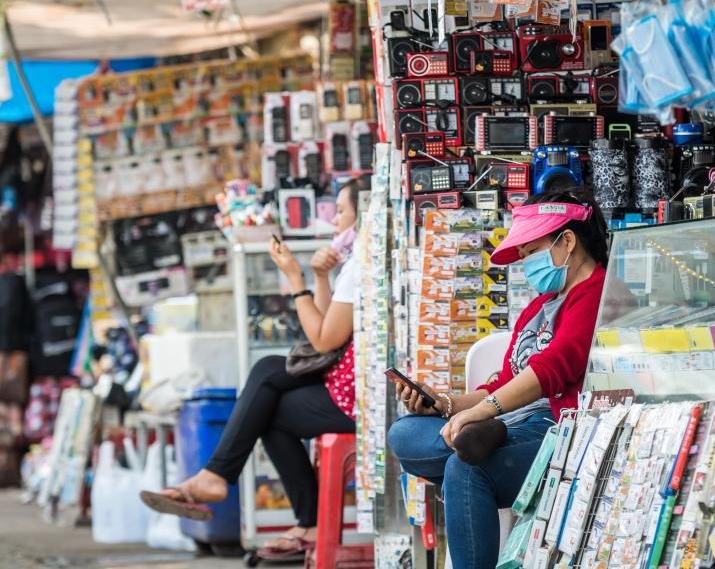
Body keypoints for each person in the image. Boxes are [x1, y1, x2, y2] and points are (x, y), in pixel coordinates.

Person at [140, 176, 370, 560]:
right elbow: (331, 325)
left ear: (361, 216)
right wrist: (318, 276)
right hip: (351, 377)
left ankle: (227, 483)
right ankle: (230, 484)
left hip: (358, 392)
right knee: (265, 377)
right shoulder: (353, 259)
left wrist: (296, 279)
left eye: (341, 212)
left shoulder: (361, 260)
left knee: (268, 405)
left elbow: (324, 340)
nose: (335, 221)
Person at [388, 191, 609, 569]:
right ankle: (482, 437)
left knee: (465, 468)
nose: (526, 265)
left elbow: (553, 368)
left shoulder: (596, 293)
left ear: (567, 241)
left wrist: (484, 412)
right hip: (510, 416)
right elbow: (506, 378)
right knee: (405, 435)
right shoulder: (541, 304)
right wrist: (446, 405)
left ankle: (484, 438)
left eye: (531, 252)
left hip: (559, 428)